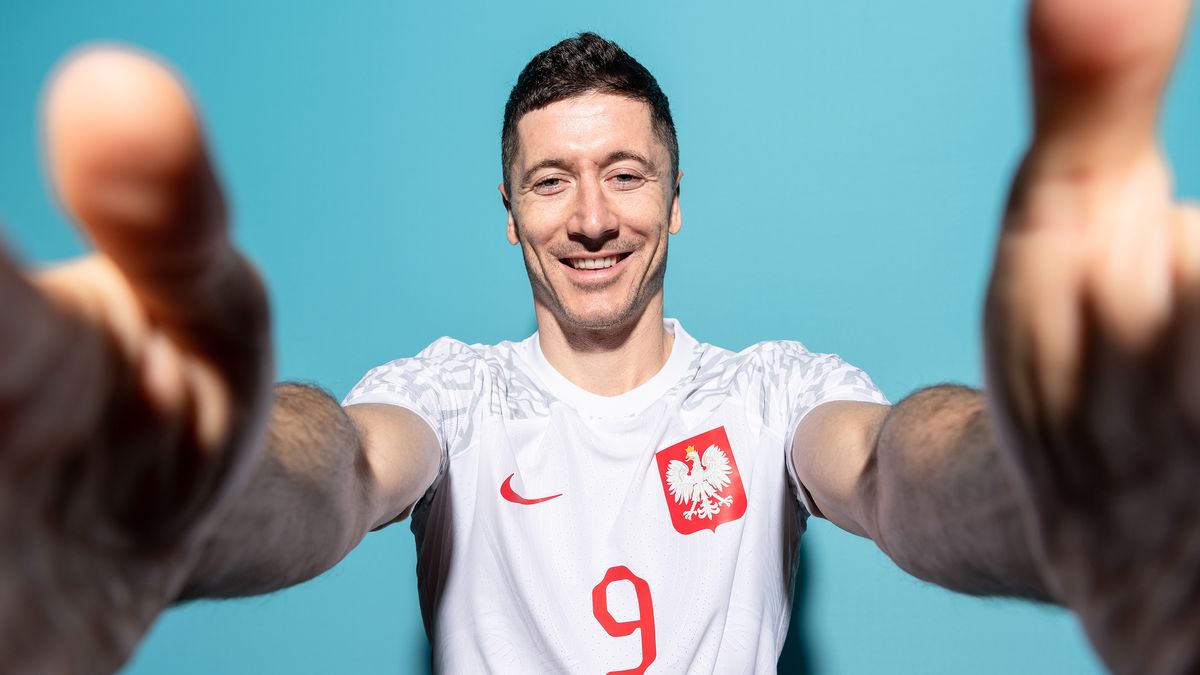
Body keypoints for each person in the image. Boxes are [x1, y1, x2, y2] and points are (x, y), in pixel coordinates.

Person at [1, 0, 1196, 673]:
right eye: (550, 182)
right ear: (509, 215)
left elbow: (893, 468)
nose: (589, 218)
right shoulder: (452, 396)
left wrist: (1042, 483)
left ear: (675, 206)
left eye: (625, 175)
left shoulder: (773, 394)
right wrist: (195, 496)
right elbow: (340, 467)